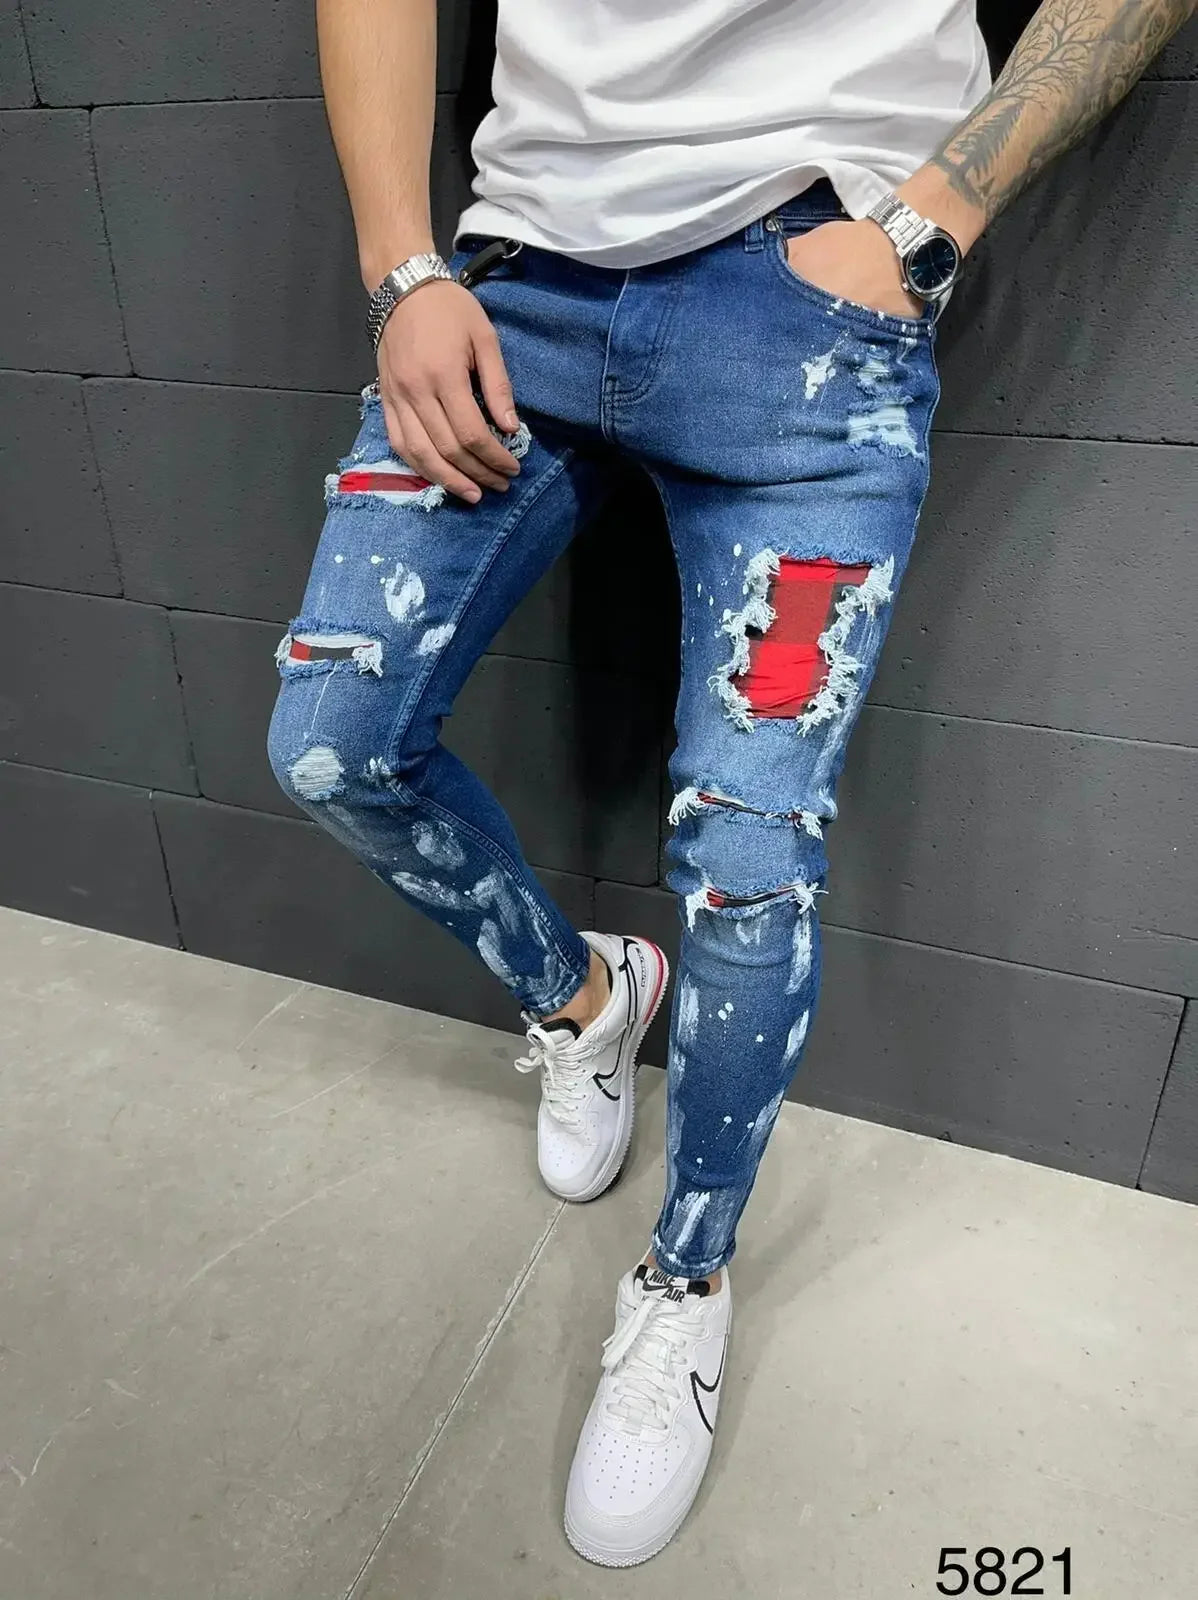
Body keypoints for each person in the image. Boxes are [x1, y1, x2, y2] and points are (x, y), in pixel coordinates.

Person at [268, 0, 1192, 1567]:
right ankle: (584, 1003)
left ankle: (684, 1278)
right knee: (333, 747)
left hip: (811, 298)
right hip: (514, 285)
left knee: (750, 861)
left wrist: (926, 220)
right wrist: (401, 268)